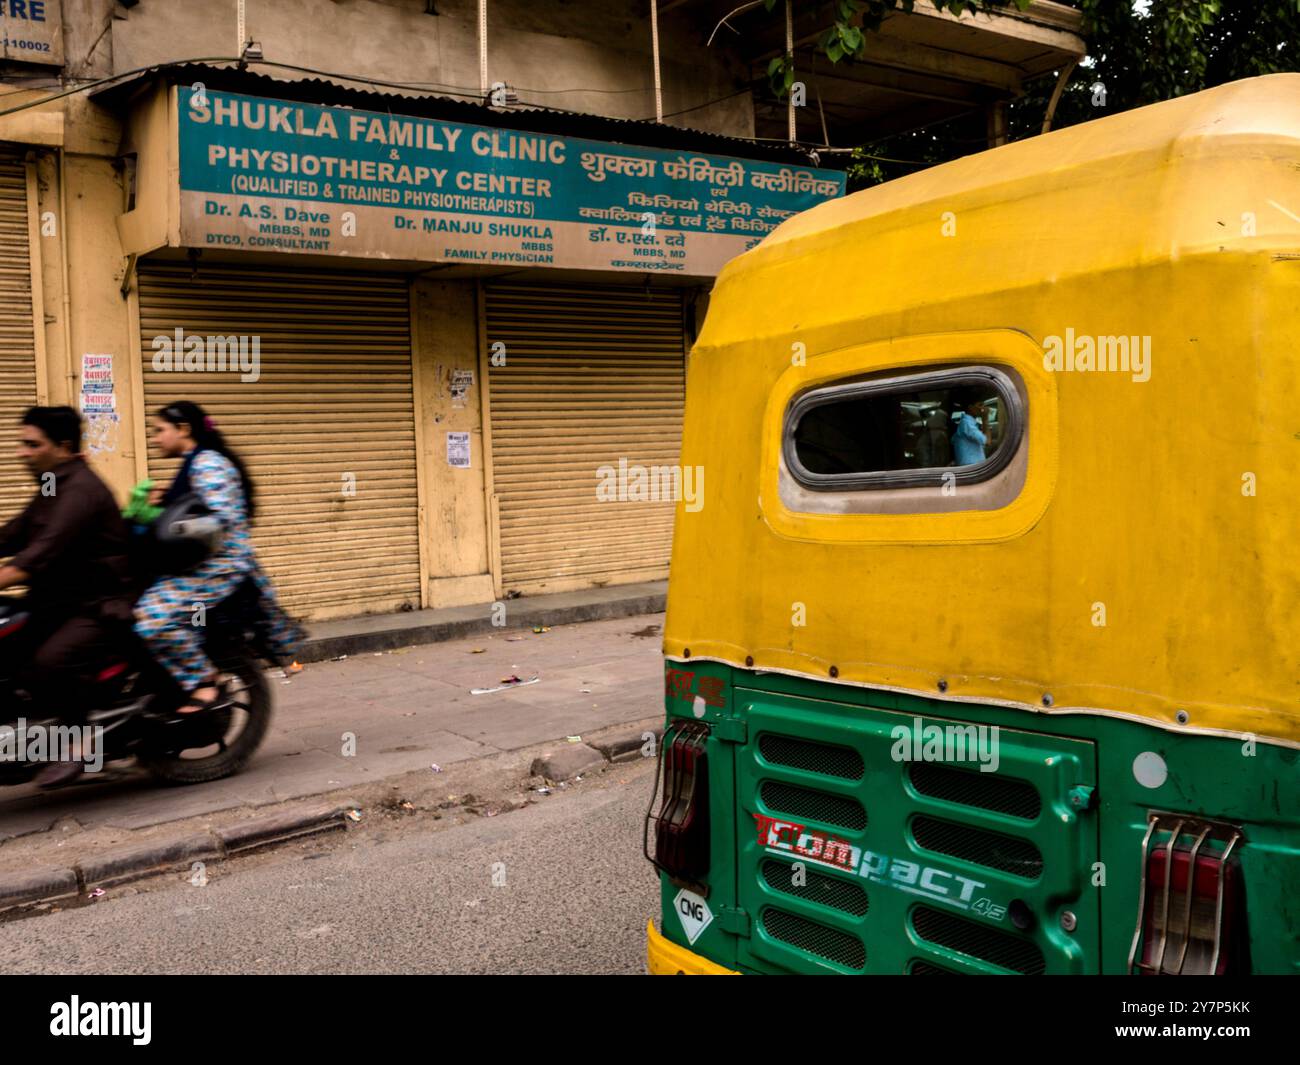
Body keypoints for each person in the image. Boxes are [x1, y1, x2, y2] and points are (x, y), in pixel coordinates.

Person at [134, 401, 300, 714]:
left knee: (151, 621)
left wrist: (166, 525)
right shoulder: (193, 462)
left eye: (159, 431)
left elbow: (218, 518)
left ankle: (204, 682)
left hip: (217, 568)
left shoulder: (208, 463)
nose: (155, 438)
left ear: (183, 429)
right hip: (198, 565)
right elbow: (194, 509)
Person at [0, 407, 135, 787]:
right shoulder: (51, 483)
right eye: (21, 443)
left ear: (62, 446)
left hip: (96, 604)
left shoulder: (80, 488)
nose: (20, 452)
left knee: (47, 664)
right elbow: (17, 531)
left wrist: (6, 575)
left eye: (31, 444)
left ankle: (82, 743)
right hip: (57, 600)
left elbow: (44, 548)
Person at [951, 392, 991, 466]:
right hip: (971, 467)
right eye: (980, 405)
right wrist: (985, 418)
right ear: (970, 407)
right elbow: (987, 441)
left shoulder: (969, 423)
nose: (982, 408)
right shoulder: (967, 424)